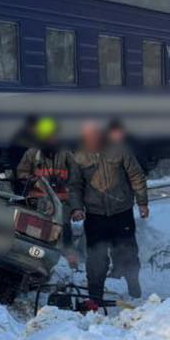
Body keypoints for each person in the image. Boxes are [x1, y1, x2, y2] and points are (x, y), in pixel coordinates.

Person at [70, 119, 149, 302]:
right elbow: (75, 186)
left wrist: (142, 202)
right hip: (95, 216)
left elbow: (136, 175)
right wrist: (76, 207)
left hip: (122, 212)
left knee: (127, 252)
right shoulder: (79, 156)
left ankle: (134, 288)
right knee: (96, 259)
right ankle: (95, 297)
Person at [15, 116, 75, 208]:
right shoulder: (32, 153)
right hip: (37, 203)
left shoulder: (66, 154)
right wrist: (34, 180)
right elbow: (21, 174)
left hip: (63, 202)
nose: (50, 139)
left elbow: (77, 177)